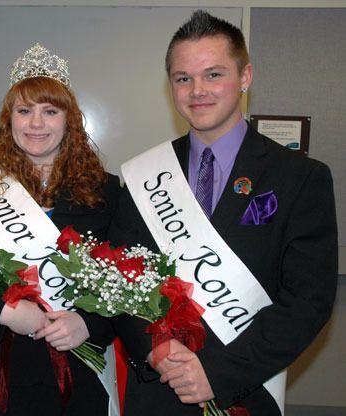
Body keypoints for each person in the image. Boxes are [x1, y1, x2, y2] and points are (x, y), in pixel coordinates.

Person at [111, 10, 337, 416]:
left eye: (213, 74)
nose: (197, 90)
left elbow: (308, 301)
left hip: (246, 389)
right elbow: (123, 279)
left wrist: (217, 371)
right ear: (171, 87)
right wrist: (156, 348)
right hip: (160, 388)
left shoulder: (301, 178)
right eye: (183, 78)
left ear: (245, 77)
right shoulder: (144, 176)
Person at [0, 43, 120, 415]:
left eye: (50, 111)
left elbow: (129, 281)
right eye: (24, 110)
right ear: (9, 120)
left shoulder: (107, 192)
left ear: (69, 120)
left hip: (77, 379)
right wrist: (0, 312)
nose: (36, 123)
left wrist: (89, 324)